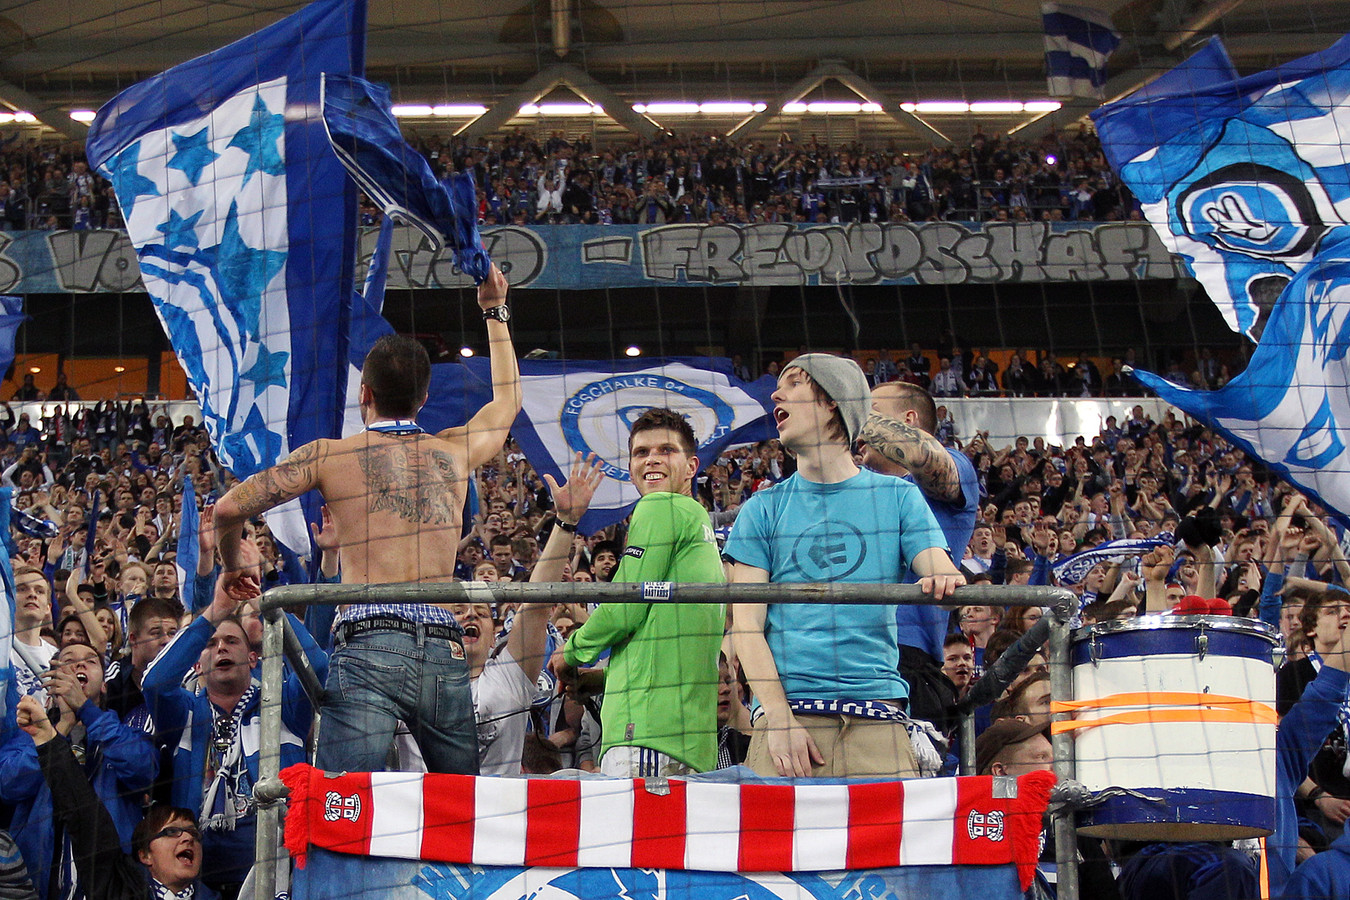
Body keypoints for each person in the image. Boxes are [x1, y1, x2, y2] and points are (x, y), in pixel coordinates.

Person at [210, 265, 521, 775]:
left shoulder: (329, 456)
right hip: (443, 649)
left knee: (345, 805)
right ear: (423, 400)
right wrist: (494, 309)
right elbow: (507, 401)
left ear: (364, 394)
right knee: (461, 808)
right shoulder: (453, 453)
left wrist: (230, 565)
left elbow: (227, 509)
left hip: (367, 640)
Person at [728, 353, 965, 778]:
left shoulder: (898, 496)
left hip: (878, 717)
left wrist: (944, 576)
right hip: (789, 722)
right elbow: (746, 627)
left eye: (796, 384)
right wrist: (779, 719)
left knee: (890, 847)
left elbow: (936, 567)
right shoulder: (760, 508)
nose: (777, 394)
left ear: (833, 400)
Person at [139, 554, 327, 900]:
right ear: (198, 663)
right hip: (199, 882)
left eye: (231, 641)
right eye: (211, 644)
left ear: (253, 657)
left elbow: (315, 664)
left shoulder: (281, 707)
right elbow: (153, 684)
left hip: (276, 877)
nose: (221, 647)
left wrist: (270, 606)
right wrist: (213, 615)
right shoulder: (184, 714)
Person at [553, 408, 727, 776]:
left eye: (666, 450)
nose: (652, 459)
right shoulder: (695, 521)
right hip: (687, 738)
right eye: (641, 452)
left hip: (646, 736)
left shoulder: (660, 506)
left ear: (692, 466)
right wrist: (598, 680)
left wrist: (570, 654)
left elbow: (625, 609)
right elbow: (661, 642)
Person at [453, 454, 603, 775]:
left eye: (480, 612)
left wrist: (565, 523)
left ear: (496, 634)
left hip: (496, 815)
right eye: (459, 611)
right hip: (431, 818)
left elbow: (535, 607)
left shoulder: (506, 677)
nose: (469, 616)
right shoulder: (421, 679)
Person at [859, 379, 979, 732]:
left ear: (908, 420)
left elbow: (920, 456)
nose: (859, 424)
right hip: (844, 652)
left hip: (906, 657)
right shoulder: (853, 485)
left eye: (871, 411)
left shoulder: (955, 467)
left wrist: (839, 413)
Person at [0, 640, 160, 900]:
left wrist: (87, 711)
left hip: (108, 886)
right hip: (36, 885)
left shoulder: (127, 733)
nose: (79, 664)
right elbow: (7, 785)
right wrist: (59, 729)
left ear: (105, 684)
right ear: (50, 682)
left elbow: (144, 770)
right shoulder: (26, 737)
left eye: (90, 660)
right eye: (68, 660)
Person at [16, 695, 215, 900]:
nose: (188, 838)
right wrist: (47, 740)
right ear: (145, 854)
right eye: (172, 832)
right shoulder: (117, 889)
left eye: (194, 833)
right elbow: (84, 814)